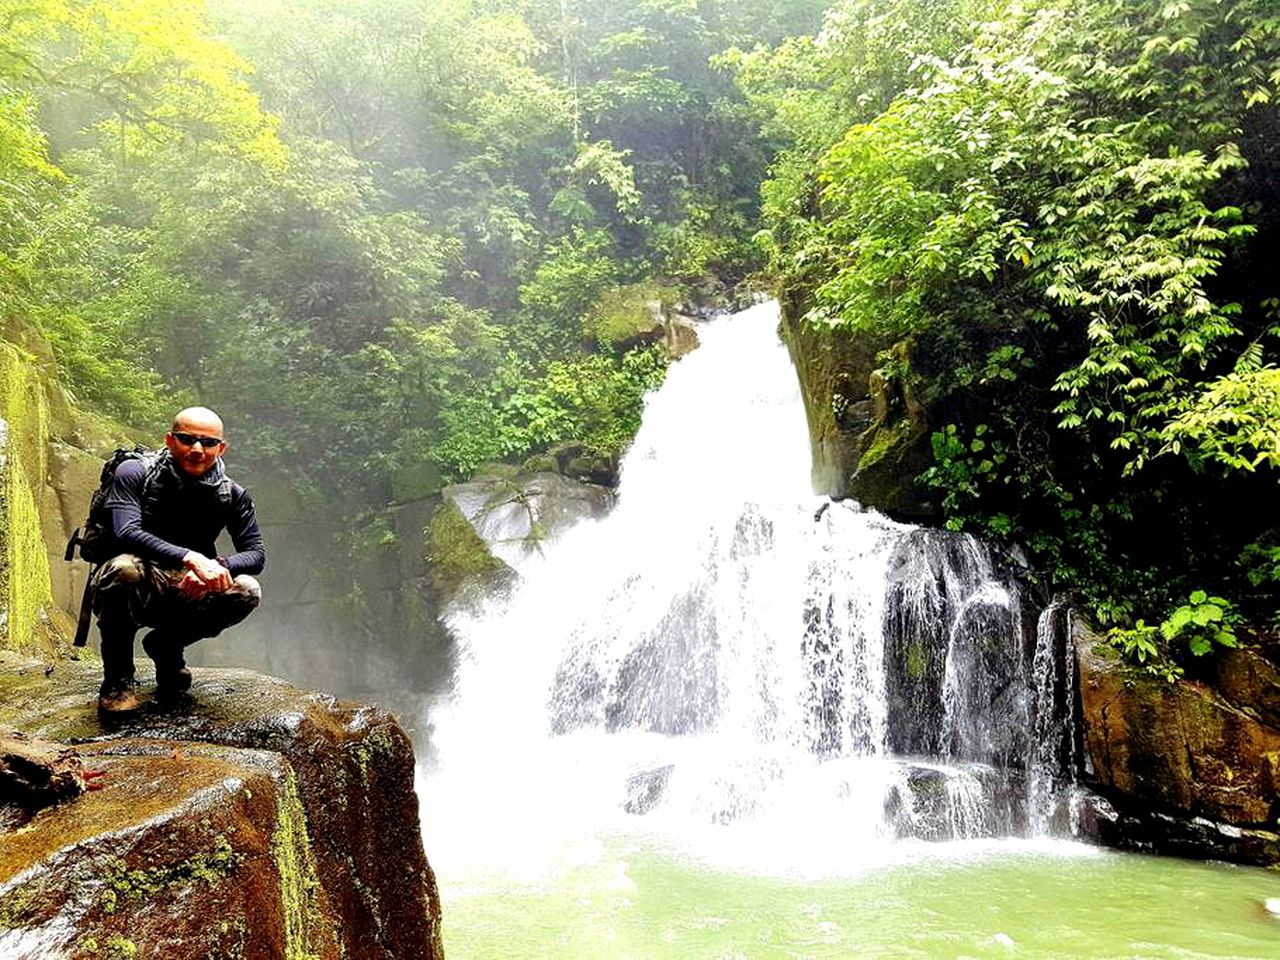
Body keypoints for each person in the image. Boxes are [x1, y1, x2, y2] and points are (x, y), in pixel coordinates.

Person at [93, 406, 265, 714]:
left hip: (191, 585)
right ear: (170, 441)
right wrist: (192, 559)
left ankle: (166, 646)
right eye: (187, 439)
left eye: (208, 442)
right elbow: (126, 530)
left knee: (247, 590)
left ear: (221, 447)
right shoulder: (134, 472)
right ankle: (118, 678)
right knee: (122, 571)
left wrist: (216, 568)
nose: (197, 449)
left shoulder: (231, 493)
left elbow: (256, 554)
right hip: (137, 578)